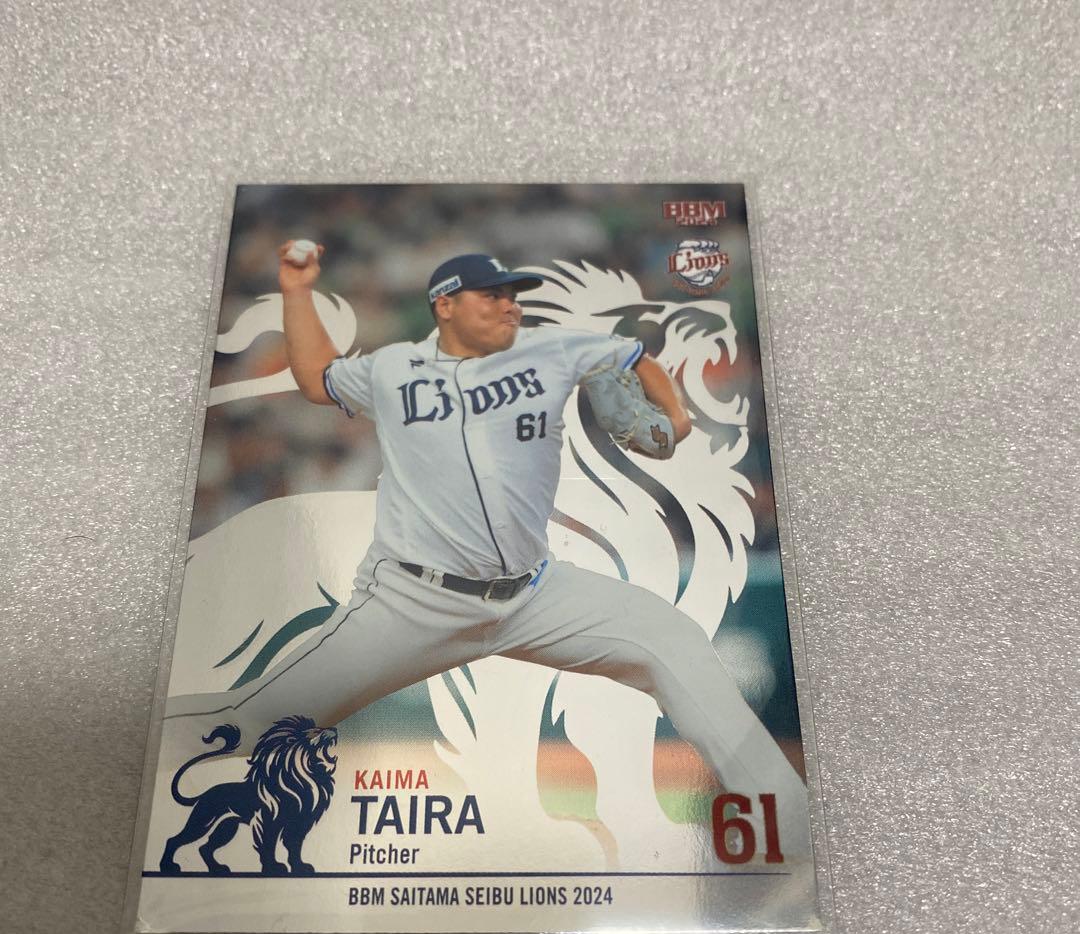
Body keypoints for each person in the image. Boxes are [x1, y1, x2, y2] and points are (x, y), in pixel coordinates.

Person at [164, 245, 809, 857]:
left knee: (671, 639)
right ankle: (144, 751)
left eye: (512, 296)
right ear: (444, 305)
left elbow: (632, 356)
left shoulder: (552, 351)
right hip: (411, 602)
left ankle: (789, 825)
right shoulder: (392, 369)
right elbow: (315, 377)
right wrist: (297, 291)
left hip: (535, 595)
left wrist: (675, 417)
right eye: (492, 296)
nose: (509, 306)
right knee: (258, 720)